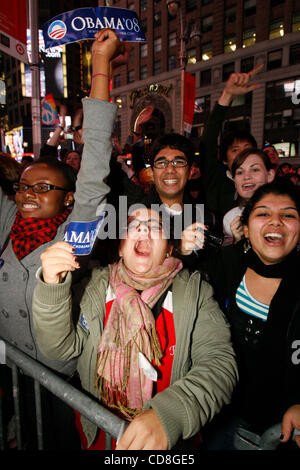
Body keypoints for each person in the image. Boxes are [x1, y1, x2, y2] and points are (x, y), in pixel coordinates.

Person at [32, 204, 238, 450]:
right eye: (132, 225)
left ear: (170, 248)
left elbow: (220, 363)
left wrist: (170, 415)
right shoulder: (96, 289)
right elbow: (58, 348)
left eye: (155, 227)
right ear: (120, 246)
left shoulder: (195, 293)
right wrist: (51, 286)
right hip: (101, 440)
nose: (142, 229)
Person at [0, 28, 119, 448]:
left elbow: (95, 162)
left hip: (59, 380)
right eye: (24, 186)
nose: (29, 194)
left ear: (68, 197)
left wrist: (100, 64)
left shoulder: (77, 229)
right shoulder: (6, 220)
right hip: (9, 370)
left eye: (44, 187)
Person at [181, 181, 300, 450]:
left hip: (277, 429)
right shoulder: (227, 263)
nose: (276, 222)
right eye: (263, 213)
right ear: (245, 228)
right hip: (215, 413)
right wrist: (183, 250)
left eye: (289, 215)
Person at [199, 65, 263, 224]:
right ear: (225, 160)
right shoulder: (217, 182)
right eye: (235, 150)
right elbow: (207, 142)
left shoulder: (267, 188)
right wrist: (227, 96)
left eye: (247, 149)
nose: (243, 154)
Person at [222, 148, 275, 245]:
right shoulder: (230, 218)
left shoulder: (287, 214)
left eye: (255, 169)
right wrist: (237, 242)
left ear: (270, 175)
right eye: (240, 172)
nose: (246, 177)